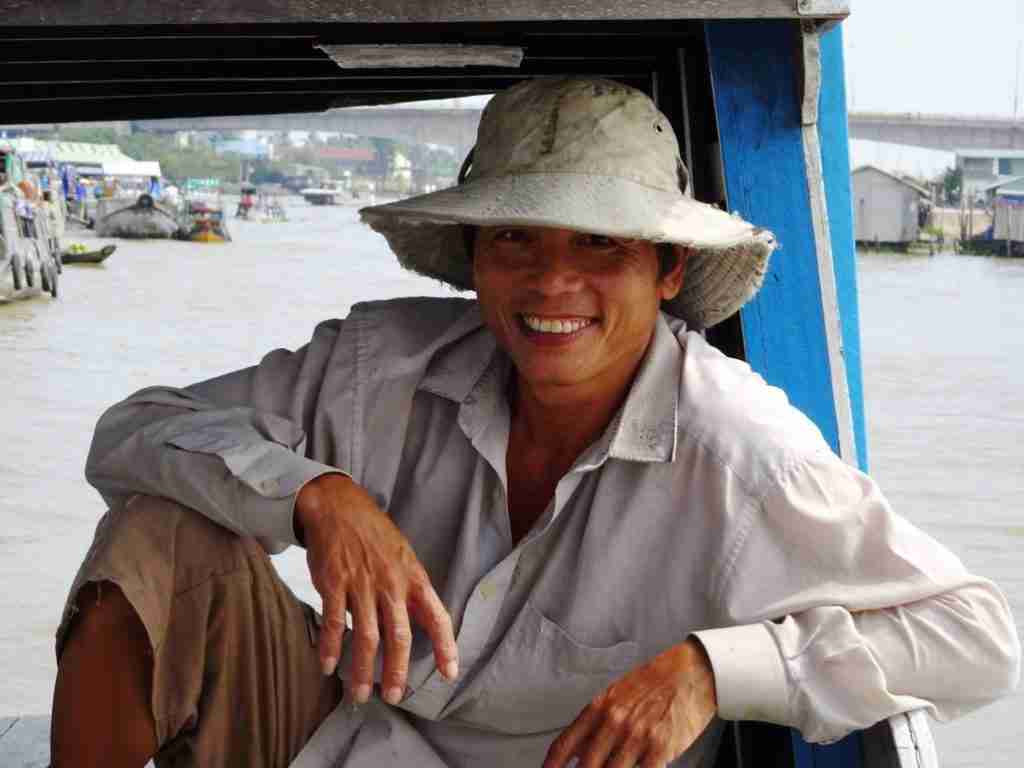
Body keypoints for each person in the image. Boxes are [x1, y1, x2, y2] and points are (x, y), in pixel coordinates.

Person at [52, 77, 1019, 768]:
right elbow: (135, 429)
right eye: (516, 238)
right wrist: (317, 497)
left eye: (598, 244)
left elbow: (976, 637)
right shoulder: (377, 367)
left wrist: (712, 671)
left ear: (667, 271)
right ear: (476, 260)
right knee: (155, 531)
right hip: (339, 735)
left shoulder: (737, 448)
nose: (553, 282)